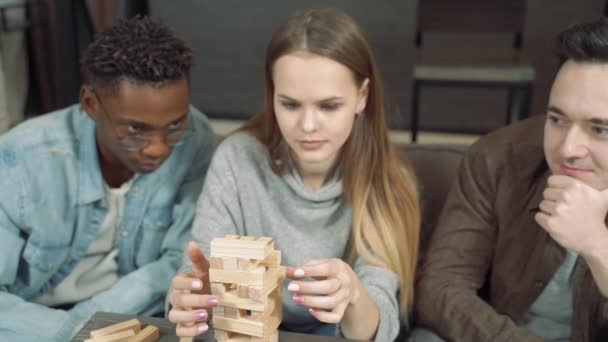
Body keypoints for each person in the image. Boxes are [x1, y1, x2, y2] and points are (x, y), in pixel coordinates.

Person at [167, 8, 420, 341]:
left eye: (329, 106)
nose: (308, 126)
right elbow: (200, 280)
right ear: (272, 94)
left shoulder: (390, 181)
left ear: (362, 97)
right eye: (290, 104)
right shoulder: (237, 158)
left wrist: (354, 296)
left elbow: (378, 326)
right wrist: (194, 299)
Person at [0, 16, 215, 341]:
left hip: (139, 319)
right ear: (90, 104)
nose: (158, 148)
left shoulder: (195, 138)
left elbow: (180, 261)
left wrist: (99, 327)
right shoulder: (20, 160)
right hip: (34, 326)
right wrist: (79, 332)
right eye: (136, 130)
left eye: (174, 125)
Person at [413, 18, 608, 342]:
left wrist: (596, 245)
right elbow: (441, 286)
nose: (568, 149)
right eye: (557, 119)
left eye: (600, 129)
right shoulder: (499, 157)